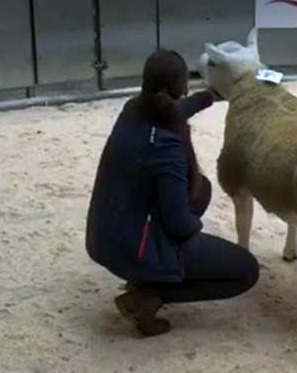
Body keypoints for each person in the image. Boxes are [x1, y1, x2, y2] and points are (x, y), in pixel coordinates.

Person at [85, 49, 259, 336]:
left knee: (201, 191)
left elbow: (172, 111)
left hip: (102, 238)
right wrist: (196, 232)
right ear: (181, 87)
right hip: (129, 250)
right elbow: (179, 224)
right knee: (246, 270)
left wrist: (208, 97)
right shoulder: (166, 146)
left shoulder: (133, 109)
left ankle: (149, 274)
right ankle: (150, 296)